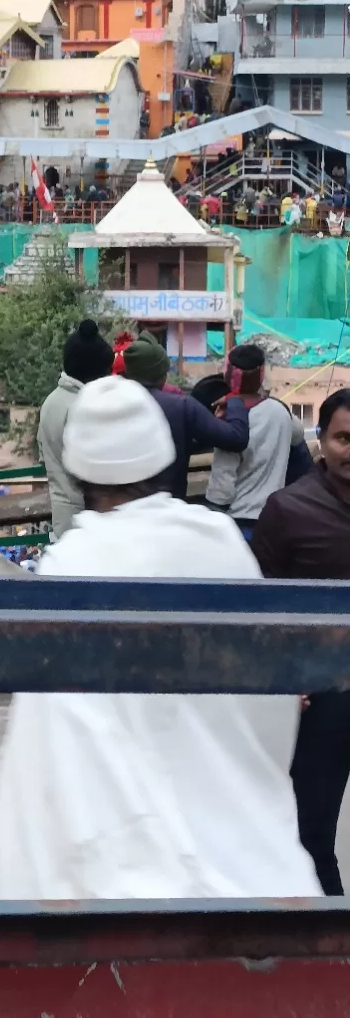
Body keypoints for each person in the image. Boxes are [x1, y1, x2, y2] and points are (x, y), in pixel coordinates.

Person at [0, 376, 320, 899]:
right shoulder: (218, 542)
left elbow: (48, 747)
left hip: (116, 883)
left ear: (81, 473)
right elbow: (269, 701)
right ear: (160, 456)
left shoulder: (71, 565)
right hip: (248, 862)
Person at [254, 388, 350, 893]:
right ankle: (326, 949)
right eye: (343, 438)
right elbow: (262, 613)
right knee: (310, 833)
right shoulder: (288, 510)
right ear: (321, 438)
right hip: (325, 698)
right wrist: (284, 680)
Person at [121, 331, 249, 499]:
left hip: (117, 510)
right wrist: (235, 400)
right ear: (161, 374)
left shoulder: (108, 403)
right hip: (166, 508)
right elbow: (236, 438)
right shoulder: (181, 406)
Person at [205, 344, 303, 535]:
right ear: (262, 374)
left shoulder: (230, 421)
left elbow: (222, 482)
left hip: (240, 522)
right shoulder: (281, 412)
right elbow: (298, 435)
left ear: (227, 374)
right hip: (275, 518)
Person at [37, 320, 114, 538]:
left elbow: (44, 456)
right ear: (94, 372)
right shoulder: (84, 409)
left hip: (62, 517)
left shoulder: (51, 402)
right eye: (106, 371)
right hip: (87, 522)